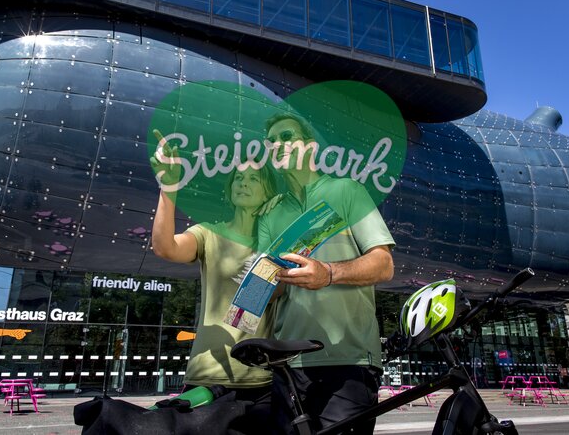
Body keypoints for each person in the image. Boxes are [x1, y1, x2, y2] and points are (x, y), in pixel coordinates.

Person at [257, 114, 396, 435]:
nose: (277, 145)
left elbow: (383, 264)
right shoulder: (271, 212)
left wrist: (329, 273)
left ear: (310, 146)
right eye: (271, 141)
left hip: (347, 363)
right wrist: (260, 284)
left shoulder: (347, 190)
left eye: (286, 136)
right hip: (289, 367)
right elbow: (273, 292)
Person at [149, 129, 280, 417]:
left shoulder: (277, 245)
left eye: (254, 178)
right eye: (238, 178)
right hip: (207, 377)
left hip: (263, 381)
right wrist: (169, 187)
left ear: (268, 191)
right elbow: (165, 247)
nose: (243, 183)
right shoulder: (209, 232)